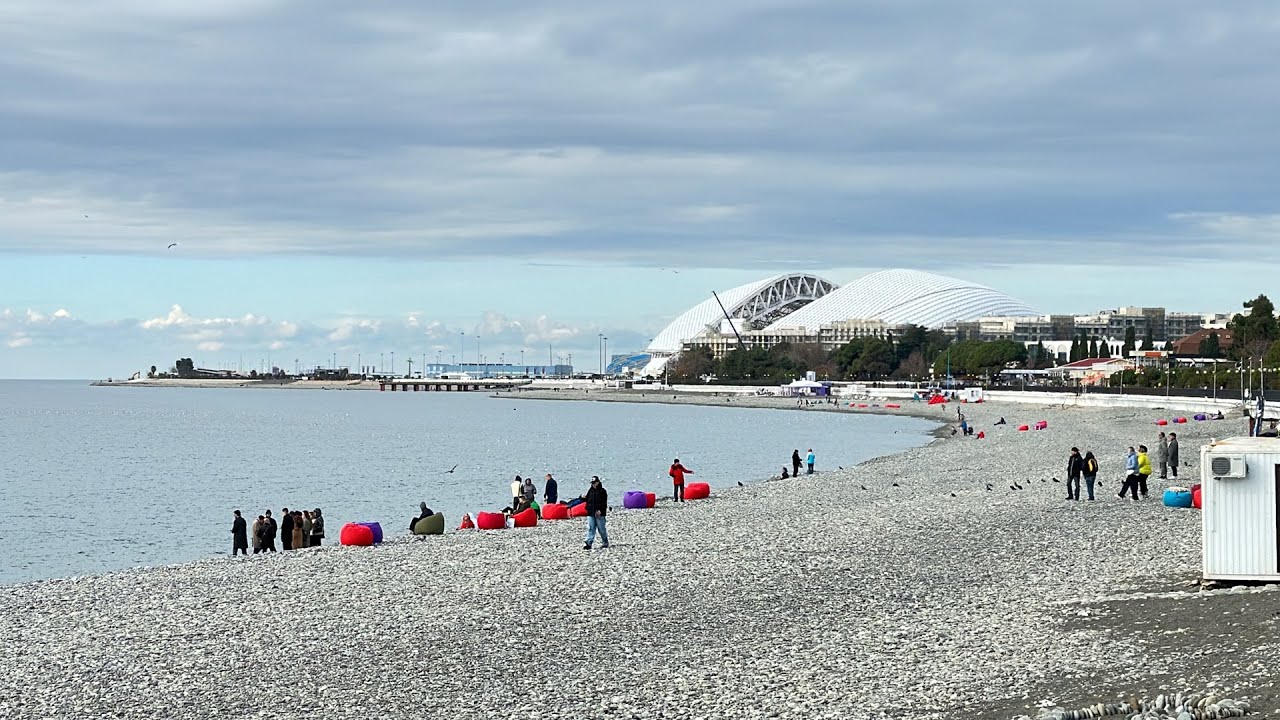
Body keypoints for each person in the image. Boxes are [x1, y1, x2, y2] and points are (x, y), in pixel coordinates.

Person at [583, 476, 609, 550]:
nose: (593, 484)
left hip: (600, 513)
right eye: (592, 483)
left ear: (598, 482)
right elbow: (587, 499)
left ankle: (605, 542)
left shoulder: (602, 491)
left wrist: (600, 510)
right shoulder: (590, 491)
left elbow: (604, 502)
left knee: (601, 528)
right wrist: (582, 497)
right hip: (590, 512)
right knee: (591, 527)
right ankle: (589, 542)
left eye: (594, 483)